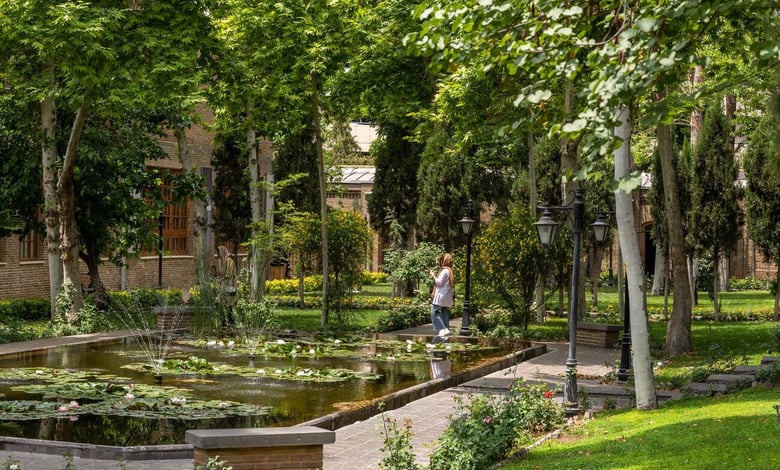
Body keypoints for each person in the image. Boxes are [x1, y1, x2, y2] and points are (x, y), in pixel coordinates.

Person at [429, 253, 454, 338]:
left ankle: (443, 329)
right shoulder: (450, 271)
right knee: (444, 311)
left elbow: (439, 282)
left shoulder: (444, 271)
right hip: (447, 296)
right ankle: (445, 329)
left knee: (434, 312)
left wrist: (433, 276)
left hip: (441, 295)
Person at [216, 245, 237, 328]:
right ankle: (224, 321)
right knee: (222, 304)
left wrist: (221, 279)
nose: (218, 256)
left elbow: (229, 274)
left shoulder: (229, 261)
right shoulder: (224, 261)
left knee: (228, 305)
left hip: (229, 286)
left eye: (219, 254)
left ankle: (230, 322)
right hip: (225, 286)